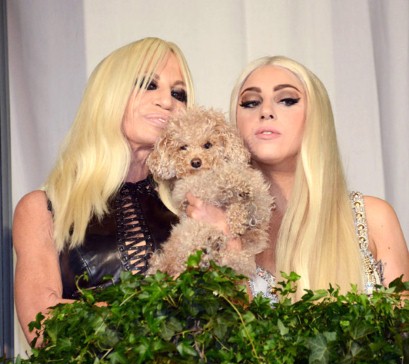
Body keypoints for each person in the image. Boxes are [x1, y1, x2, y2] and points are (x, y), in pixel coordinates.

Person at [13, 37, 195, 345]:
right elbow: (41, 325)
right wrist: (156, 309)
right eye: (149, 85)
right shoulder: (42, 207)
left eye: (179, 94)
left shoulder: (194, 204)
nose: (167, 102)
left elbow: (230, 308)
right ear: (109, 94)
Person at [226, 55, 409, 302]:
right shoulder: (220, 230)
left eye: (287, 100)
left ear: (316, 116)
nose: (265, 111)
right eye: (250, 102)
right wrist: (229, 248)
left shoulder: (372, 219)